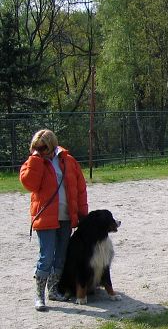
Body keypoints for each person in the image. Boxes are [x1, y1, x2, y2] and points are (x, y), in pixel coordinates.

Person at [19, 129, 88, 311]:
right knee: (46, 256)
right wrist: (35, 160)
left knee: (61, 257)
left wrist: (82, 215)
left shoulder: (69, 161)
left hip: (66, 217)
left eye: (42, 148)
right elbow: (29, 184)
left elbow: (80, 189)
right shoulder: (34, 162)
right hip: (45, 218)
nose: (39, 151)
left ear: (52, 145)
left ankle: (53, 290)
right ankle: (39, 296)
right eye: (36, 148)